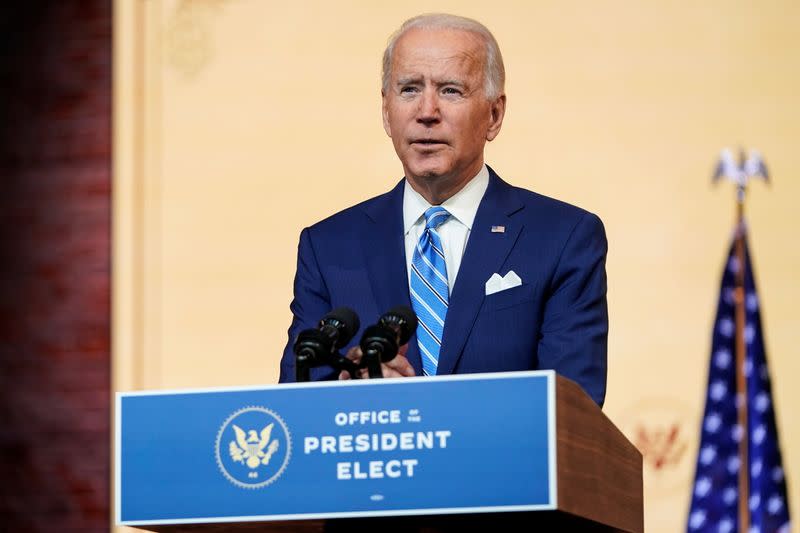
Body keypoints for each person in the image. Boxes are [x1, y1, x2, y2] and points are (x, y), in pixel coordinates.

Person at [278, 13, 608, 406]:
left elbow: (573, 409)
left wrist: (431, 418)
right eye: (409, 89)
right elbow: (296, 405)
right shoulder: (329, 246)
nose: (427, 111)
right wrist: (357, 393)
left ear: (494, 115)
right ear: (386, 111)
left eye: (450, 90)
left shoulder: (563, 238)